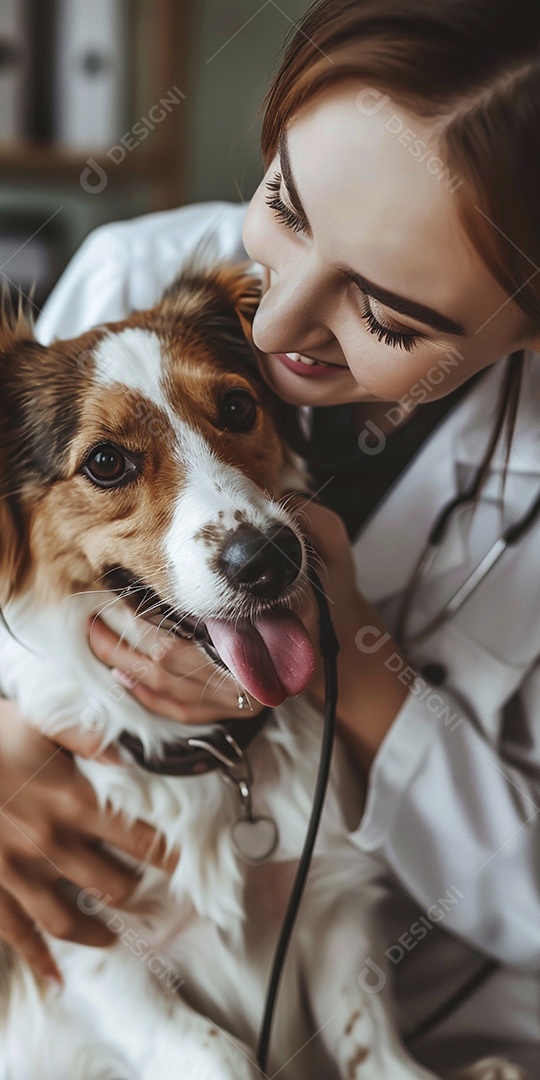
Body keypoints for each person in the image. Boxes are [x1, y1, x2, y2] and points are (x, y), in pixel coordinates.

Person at [2, 0, 540, 1072]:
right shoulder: (137, 276)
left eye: (385, 316)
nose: (273, 325)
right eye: (285, 208)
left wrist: (358, 661)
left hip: (442, 1009)